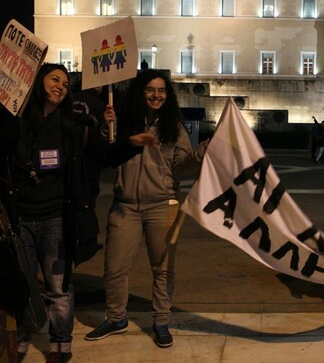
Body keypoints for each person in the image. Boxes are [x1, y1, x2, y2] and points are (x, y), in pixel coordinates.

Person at [0, 63, 146, 363]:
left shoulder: (75, 125)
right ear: (40, 82)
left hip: (55, 217)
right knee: (23, 284)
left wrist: (129, 143)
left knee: (58, 286)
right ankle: (24, 337)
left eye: (66, 84)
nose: (61, 86)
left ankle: (60, 345)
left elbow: (103, 155)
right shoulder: (17, 121)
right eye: (55, 79)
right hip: (21, 220)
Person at [85, 69, 209, 348]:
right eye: (151, 90)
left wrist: (202, 152)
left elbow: (180, 166)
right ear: (141, 92)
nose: (156, 95)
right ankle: (116, 317)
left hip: (162, 204)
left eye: (162, 91)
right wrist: (106, 129)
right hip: (125, 205)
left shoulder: (173, 127)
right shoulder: (124, 121)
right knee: (114, 268)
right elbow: (105, 154)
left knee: (163, 268)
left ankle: (161, 321)